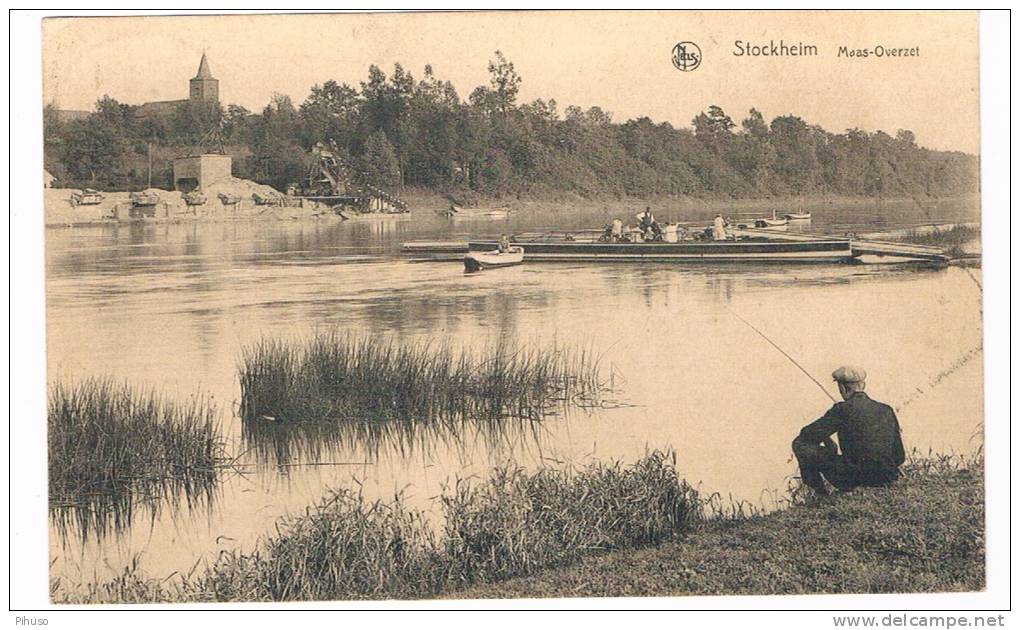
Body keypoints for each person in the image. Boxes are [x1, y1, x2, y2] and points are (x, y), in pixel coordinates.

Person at [792, 366, 906, 496]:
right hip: (887, 476)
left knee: (799, 444)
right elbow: (899, 456)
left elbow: (807, 435)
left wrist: (828, 442)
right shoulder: (886, 409)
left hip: (855, 478)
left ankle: (821, 495)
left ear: (843, 388)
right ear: (863, 385)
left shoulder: (841, 410)